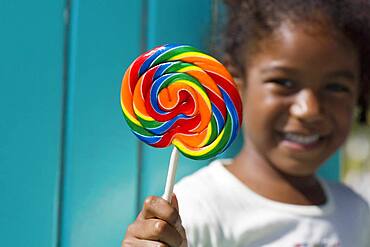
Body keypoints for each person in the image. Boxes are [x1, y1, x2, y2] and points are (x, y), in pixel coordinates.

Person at [122, 0, 370, 246]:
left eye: (336, 87)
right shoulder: (196, 209)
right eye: (283, 82)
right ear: (235, 83)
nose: (309, 110)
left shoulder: (357, 212)